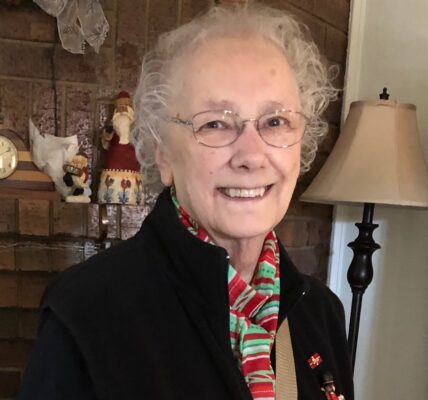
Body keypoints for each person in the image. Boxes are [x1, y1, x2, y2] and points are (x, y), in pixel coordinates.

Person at [17, 3, 353, 400]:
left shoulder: (321, 313)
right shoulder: (86, 314)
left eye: (276, 121)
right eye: (215, 123)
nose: (251, 155)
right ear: (163, 154)